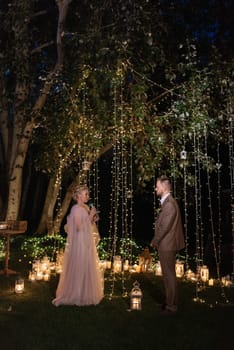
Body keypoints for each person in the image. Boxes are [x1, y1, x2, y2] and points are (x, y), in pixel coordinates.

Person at [52, 185, 104, 306]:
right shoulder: (76, 209)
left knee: (86, 265)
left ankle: (85, 293)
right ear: (79, 196)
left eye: (87, 194)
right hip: (80, 243)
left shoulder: (85, 207)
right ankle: (76, 293)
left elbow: (87, 225)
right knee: (80, 265)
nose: (88, 196)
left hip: (86, 241)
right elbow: (78, 228)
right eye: (85, 194)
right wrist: (90, 215)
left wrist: (92, 219)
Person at [151, 175, 185, 314]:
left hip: (167, 245)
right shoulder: (167, 202)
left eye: (157, 186)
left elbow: (165, 227)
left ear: (164, 188)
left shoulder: (169, 204)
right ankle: (170, 301)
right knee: (168, 275)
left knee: (169, 275)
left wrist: (155, 240)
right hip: (167, 244)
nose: (156, 188)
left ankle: (171, 306)